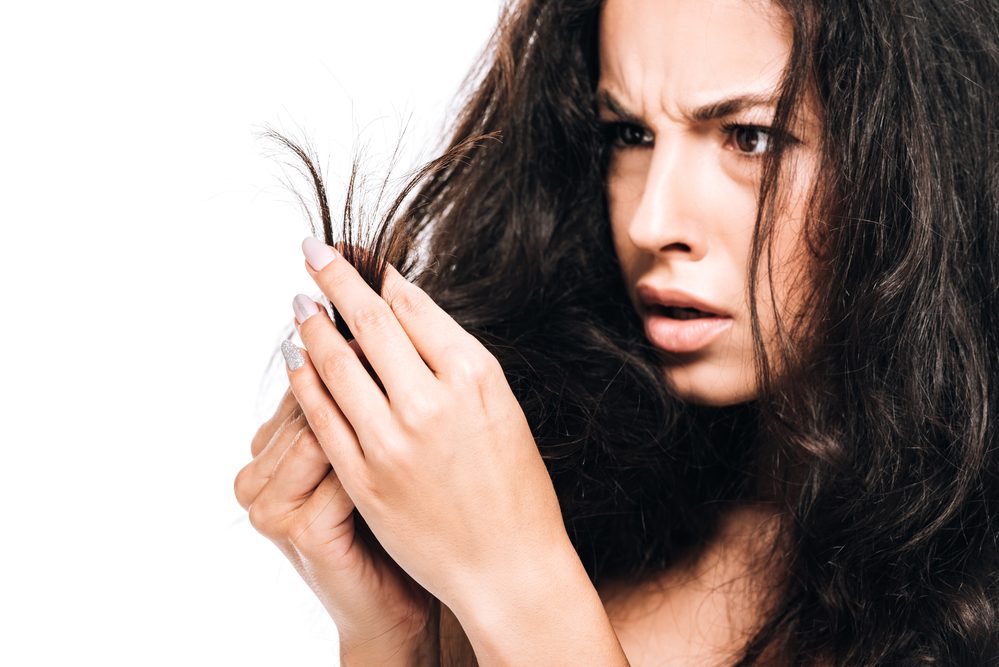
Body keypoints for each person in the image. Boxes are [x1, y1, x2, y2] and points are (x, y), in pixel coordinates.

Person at [233, 0, 999, 664]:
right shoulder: (590, 514)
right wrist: (392, 637)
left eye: (748, 138)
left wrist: (520, 582)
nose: (650, 220)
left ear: (921, 156)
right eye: (628, 135)